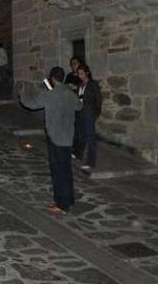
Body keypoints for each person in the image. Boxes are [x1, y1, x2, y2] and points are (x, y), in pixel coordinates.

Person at [19, 67, 82, 214]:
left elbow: (31, 104)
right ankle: (69, 199)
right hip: (68, 137)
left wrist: (22, 93)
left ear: (52, 79)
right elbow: (79, 107)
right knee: (66, 169)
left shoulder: (50, 95)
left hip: (55, 138)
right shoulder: (70, 94)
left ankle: (61, 204)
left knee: (58, 171)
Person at [74, 63, 102, 172]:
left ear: (87, 73)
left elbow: (98, 100)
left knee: (91, 138)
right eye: (78, 74)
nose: (80, 76)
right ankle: (79, 154)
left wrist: (95, 113)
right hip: (81, 113)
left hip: (89, 114)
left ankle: (91, 162)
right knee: (81, 135)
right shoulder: (80, 85)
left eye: (81, 73)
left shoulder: (92, 84)